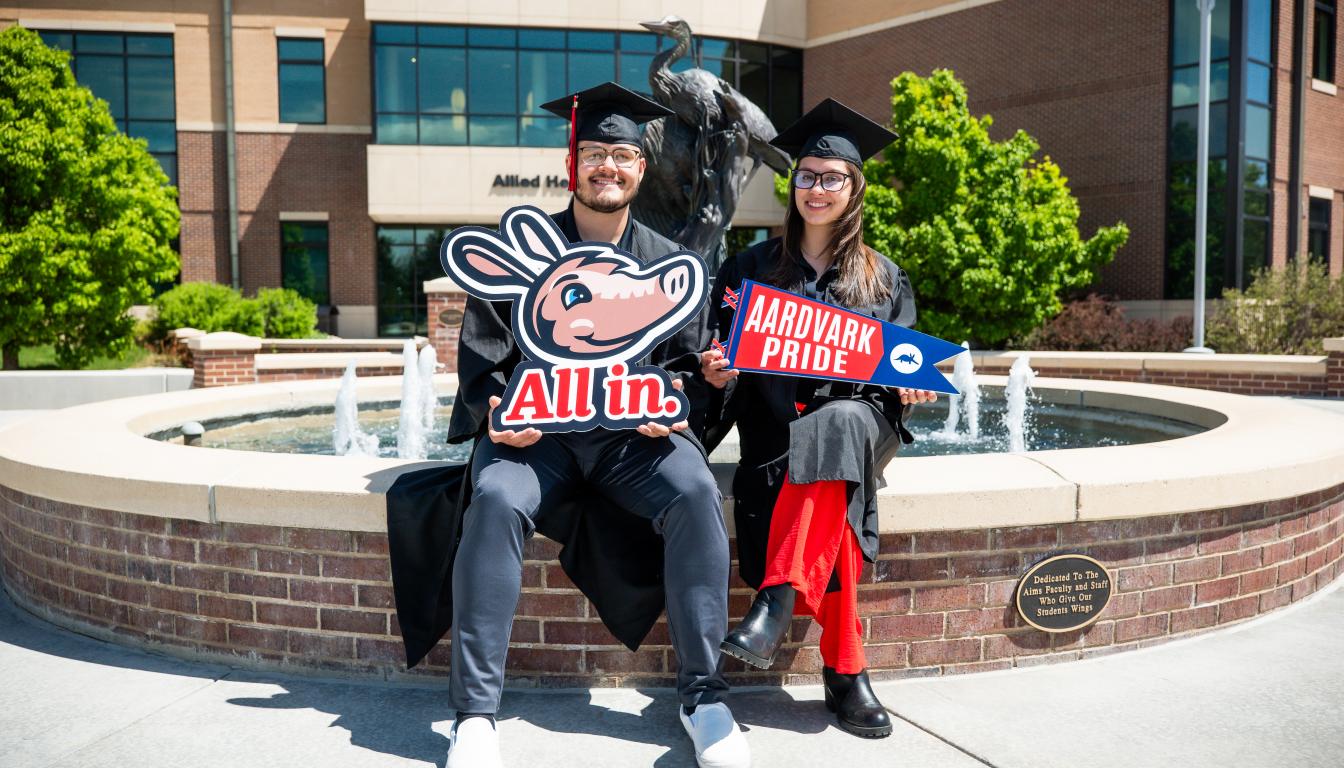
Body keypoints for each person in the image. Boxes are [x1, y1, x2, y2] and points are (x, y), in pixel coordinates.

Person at [427, 82, 749, 768]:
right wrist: (495, 415)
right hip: (536, 442)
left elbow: (688, 371)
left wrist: (694, 393)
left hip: (635, 444)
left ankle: (704, 698)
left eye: (623, 154)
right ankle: (476, 715)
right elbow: (482, 364)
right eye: (595, 152)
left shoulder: (670, 264)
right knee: (492, 499)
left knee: (696, 492)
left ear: (642, 168)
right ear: (571, 162)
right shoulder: (525, 251)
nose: (609, 166)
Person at [701, 99, 937, 739]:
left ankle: (776, 601)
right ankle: (846, 670)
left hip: (862, 426)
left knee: (840, 423)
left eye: (832, 177)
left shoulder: (884, 279)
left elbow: (896, 379)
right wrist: (716, 372)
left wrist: (909, 390)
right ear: (792, 183)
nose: (817, 189)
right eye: (807, 175)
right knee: (832, 480)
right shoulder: (748, 270)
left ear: (855, 188)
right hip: (776, 440)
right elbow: (720, 363)